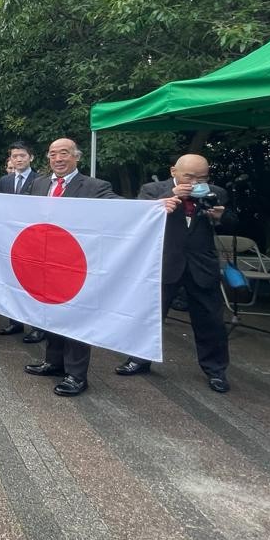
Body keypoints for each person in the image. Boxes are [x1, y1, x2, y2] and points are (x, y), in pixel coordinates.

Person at [115, 154, 234, 393]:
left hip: (201, 264)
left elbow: (232, 221)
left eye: (202, 177)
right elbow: (136, 217)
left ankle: (216, 371)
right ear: (174, 172)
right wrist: (163, 203)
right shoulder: (153, 190)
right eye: (189, 176)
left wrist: (221, 217)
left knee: (210, 320)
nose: (195, 182)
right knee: (149, 314)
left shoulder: (216, 192)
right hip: (164, 262)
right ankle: (139, 358)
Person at [24, 138, 121, 396]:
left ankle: (77, 375)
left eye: (64, 153)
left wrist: (157, 207)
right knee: (52, 313)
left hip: (77, 264)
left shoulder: (95, 186)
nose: (58, 159)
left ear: (76, 157)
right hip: (46, 262)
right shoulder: (39, 184)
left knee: (77, 318)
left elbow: (124, 209)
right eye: (53, 154)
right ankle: (54, 362)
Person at [0, 141, 44, 342]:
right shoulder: (5, 181)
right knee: (12, 281)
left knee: (34, 285)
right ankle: (14, 321)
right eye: (14, 156)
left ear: (30, 157)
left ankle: (38, 327)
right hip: (10, 240)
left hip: (34, 241)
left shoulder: (41, 180)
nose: (18, 159)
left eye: (22, 155)